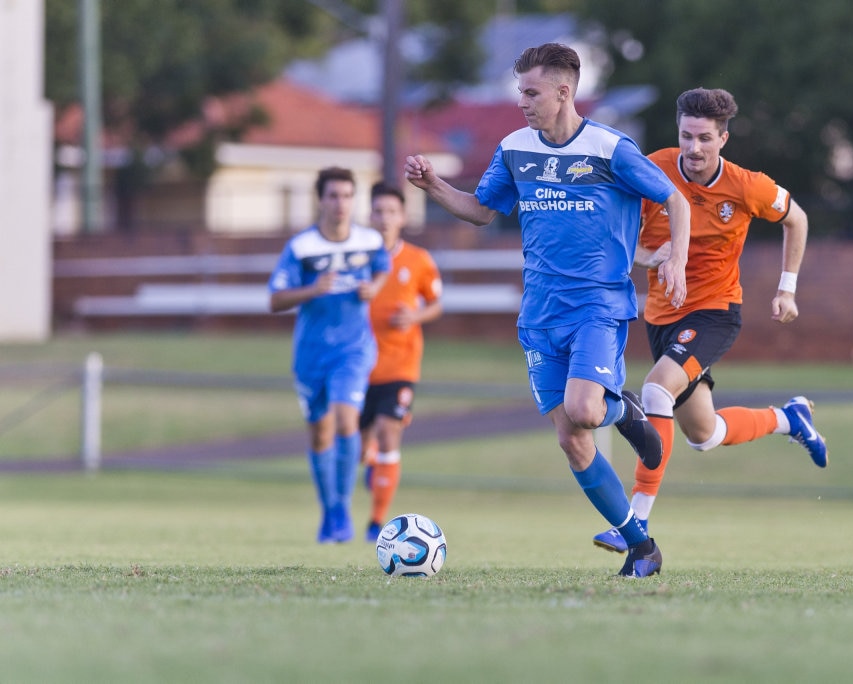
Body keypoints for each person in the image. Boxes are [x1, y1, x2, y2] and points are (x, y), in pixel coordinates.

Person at [404, 42, 692, 577]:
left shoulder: (610, 149)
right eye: (520, 92)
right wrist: (433, 186)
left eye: (531, 92)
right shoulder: (515, 147)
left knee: (585, 411)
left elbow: (674, 198)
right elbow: (482, 212)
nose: (522, 102)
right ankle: (641, 546)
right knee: (571, 440)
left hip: (597, 307)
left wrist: (676, 255)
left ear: (564, 92)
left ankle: (623, 410)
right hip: (538, 315)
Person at [590, 87, 830, 554]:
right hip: (662, 317)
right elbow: (616, 238)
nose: (694, 149)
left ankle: (633, 523)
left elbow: (796, 219)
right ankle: (790, 419)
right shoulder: (652, 168)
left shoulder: (746, 185)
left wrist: (787, 288)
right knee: (704, 434)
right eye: (686, 137)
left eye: (704, 138)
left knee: (657, 389)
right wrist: (647, 256)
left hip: (715, 310)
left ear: (723, 138)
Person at [268, 166, 391, 544]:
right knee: (320, 433)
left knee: (345, 420)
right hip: (311, 355)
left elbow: (383, 269)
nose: (341, 204)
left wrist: (374, 288)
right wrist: (312, 289)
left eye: (348, 196)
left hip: (354, 349)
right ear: (320, 200)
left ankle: (343, 508)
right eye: (334, 196)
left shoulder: (369, 241)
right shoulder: (303, 247)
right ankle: (330, 510)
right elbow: (275, 299)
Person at [359, 182, 444, 543]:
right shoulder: (356, 256)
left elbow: (436, 304)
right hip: (357, 364)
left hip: (400, 365)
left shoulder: (418, 260)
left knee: (388, 431)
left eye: (391, 211)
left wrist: (414, 316)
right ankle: (371, 461)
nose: (384, 218)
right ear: (369, 215)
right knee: (358, 446)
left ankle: (377, 521)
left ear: (403, 217)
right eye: (378, 211)